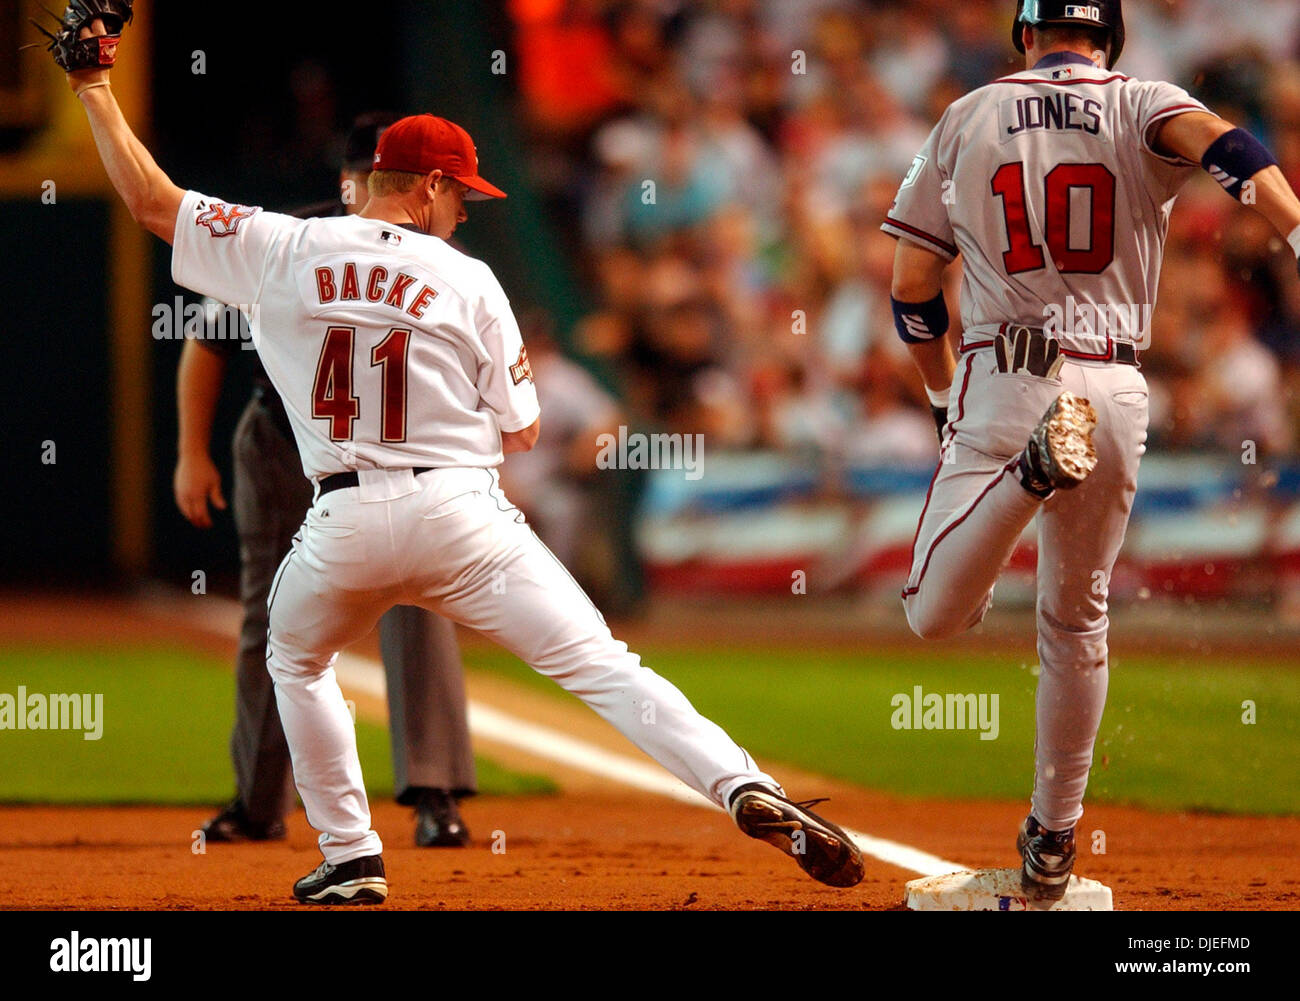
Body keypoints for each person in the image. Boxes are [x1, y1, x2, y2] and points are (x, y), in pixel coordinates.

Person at [63, 14, 865, 904]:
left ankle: (352, 854)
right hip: (463, 516)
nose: (464, 209)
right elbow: (523, 430)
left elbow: (149, 199)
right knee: (606, 667)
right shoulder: (469, 277)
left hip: (342, 519)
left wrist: (94, 86)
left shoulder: (280, 246)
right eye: (461, 195)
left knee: (296, 660)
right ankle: (742, 784)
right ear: (428, 188)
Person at [882, 0, 1300, 898]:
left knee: (933, 613)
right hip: (1113, 382)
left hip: (1006, 370)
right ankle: (1056, 837)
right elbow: (1232, 149)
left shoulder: (966, 114)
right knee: (1078, 618)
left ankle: (1027, 476)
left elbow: (913, 284)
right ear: (1109, 36)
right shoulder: (1142, 99)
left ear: (1025, 35)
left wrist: (941, 393)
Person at [173, 113, 475, 850]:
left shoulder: (434, 250)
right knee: (271, 617)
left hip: (394, 455)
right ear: (357, 179)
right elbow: (208, 340)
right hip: (281, 442)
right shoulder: (289, 239)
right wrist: (192, 452)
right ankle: (257, 800)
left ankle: (434, 793)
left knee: (421, 599)